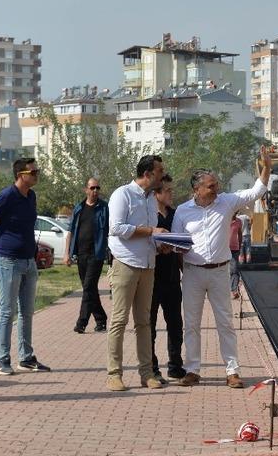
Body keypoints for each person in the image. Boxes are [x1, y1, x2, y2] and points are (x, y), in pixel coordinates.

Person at [173, 146, 277, 388]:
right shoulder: (182, 211)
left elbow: (256, 191)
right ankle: (192, 370)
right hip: (192, 273)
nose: (216, 189)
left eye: (216, 184)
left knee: (225, 323)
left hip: (220, 272)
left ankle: (232, 371)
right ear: (196, 190)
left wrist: (267, 166)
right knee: (191, 324)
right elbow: (177, 242)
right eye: (211, 186)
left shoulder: (227, 202)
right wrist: (184, 267)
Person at [106, 155, 167, 391]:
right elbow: (116, 228)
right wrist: (151, 230)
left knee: (144, 322)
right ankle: (114, 374)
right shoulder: (122, 194)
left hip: (148, 264)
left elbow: (151, 233)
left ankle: (146, 373)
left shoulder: (151, 199)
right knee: (119, 320)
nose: (162, 175)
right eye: (159, 170)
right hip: (125, 264)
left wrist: (161, 242)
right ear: (148, 174)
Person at [0, 158, 51, 375]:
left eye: (37, 171)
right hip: (8, 260)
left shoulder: (30, 196)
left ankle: (26, 358)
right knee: (7, 311)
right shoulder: (6, 196)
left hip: (28, 261)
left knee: (27, 311)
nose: (36, 175)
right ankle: (2, 361)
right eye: (33, 172)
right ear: (21, 174)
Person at [150, 174, 186, 383]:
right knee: (150, 324)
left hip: (172, 276)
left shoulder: (175, 215)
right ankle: (152, 367)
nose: (172, 194)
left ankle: (175, 365)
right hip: (152, 277)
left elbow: (182, 242)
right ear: (157, 193)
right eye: (168, 191)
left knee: (175, 323)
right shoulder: (148, 217)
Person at [64, 177, 109, 334]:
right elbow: (70, 232)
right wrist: (67, 253)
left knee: (88, 287)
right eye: (92, 188)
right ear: (86, 189)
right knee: (89, 288)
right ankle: (101, 319)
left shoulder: (104, 208)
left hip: (96, 254)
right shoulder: (79, 208)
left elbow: (111, 231)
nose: (95, 191)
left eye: (97, 188)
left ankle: (81, 322)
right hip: (81, 255)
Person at [229, 213, 242, 299]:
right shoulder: (224, 220)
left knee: (234, 269)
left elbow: (240, 234)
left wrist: (240, 245)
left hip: (234, 249)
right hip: (223, 249)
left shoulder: (238, 222)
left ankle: (234, 290)